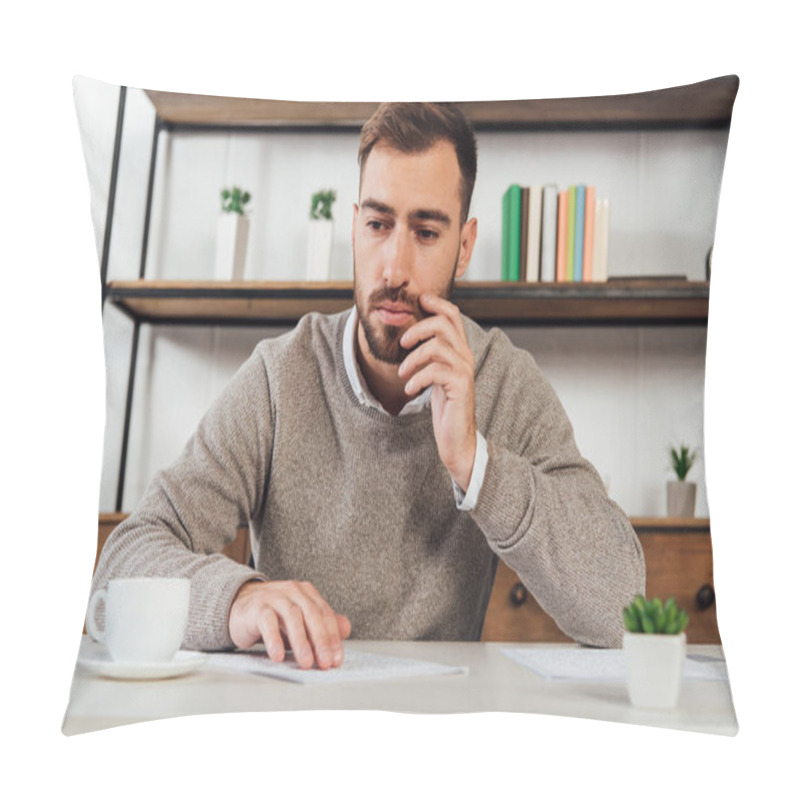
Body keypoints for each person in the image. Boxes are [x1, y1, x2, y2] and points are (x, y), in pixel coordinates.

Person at [91, 102, 645, 670]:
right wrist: (240, 600)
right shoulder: (281, 378)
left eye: (426, 232)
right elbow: (120, 568)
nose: (393, 268)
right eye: (378, 225)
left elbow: (625, 611)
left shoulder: (503, 382)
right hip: (296, 718)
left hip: (439, 727)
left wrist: (476, 464)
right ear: (355, 226)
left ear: (465, 245)